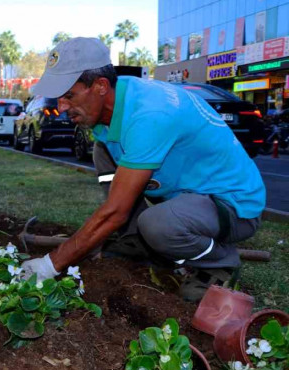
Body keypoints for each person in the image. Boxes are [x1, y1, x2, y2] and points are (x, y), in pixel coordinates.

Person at [20, 37, 265, 302]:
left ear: (101, 86)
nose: (62, 107)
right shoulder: (118, 100)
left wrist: (49, 265)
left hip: (233, 205)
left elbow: (114, 211)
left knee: (158, 226)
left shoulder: (150, 114)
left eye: (69, 95)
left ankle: (219, 262)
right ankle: (135, 238)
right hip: (188, 195)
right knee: (104, 150)